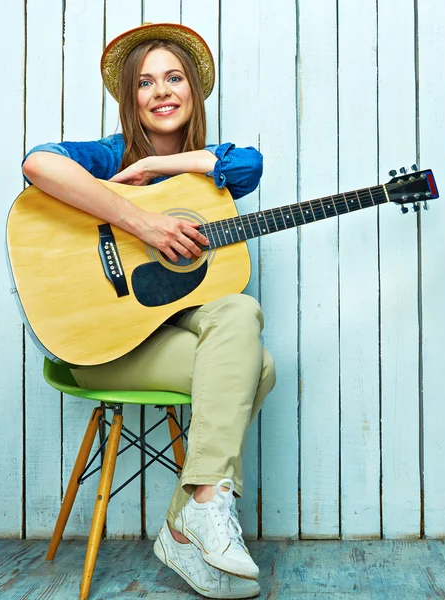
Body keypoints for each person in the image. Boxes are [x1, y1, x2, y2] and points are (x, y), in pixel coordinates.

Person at [22, 22, 275, 599]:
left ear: (193, 91)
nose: (161, 91)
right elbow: (38, 165)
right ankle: (186, 526)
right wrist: (145, 223)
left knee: (237, 312)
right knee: (257, 369)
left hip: (159, 338)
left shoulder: (213, 175)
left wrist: (166, 167)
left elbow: (250, 166)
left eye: (174, 77)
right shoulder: (108, 155)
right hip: (97, 347)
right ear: (130, 99)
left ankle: (200, 510)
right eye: (145, 82)